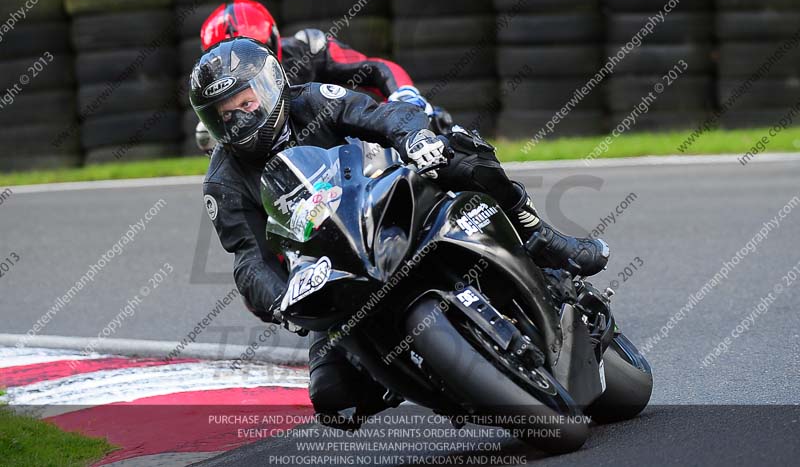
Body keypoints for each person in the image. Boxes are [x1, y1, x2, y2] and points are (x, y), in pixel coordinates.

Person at [191, 38, 609, 428]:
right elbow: (249, 258)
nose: (241, 118)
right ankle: (444, 386)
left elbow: (379, 115)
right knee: (333, 397)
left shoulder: (312, 100)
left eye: (246, 102)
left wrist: (415, 138)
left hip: (388, 200)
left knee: (461, 154)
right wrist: (281, 300)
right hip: (332, 270)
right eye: (226, 114)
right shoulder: (223, 182)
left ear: (270, 87)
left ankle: (542, 239)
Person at [194, 0, 451, 155]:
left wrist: (404, 94)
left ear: (273, 40)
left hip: (351, 144)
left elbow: (375, 68)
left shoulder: (309, 48)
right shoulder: (212, 104)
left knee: (434, 125)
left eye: (251, 53)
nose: (239, 68)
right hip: (284, 169)